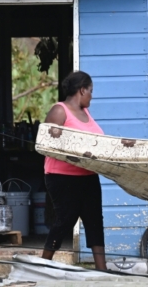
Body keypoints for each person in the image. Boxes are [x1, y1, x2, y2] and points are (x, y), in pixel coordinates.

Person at [41, 71, 107, 270]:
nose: (91, 96)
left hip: (88, 176)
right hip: (62, 177)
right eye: (90, 91)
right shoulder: (59, 111)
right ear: (82, 90)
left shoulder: (86, 113)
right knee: (65, 220)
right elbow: (46, 143)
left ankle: (102, 270)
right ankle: (43, 264)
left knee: (94, 220)